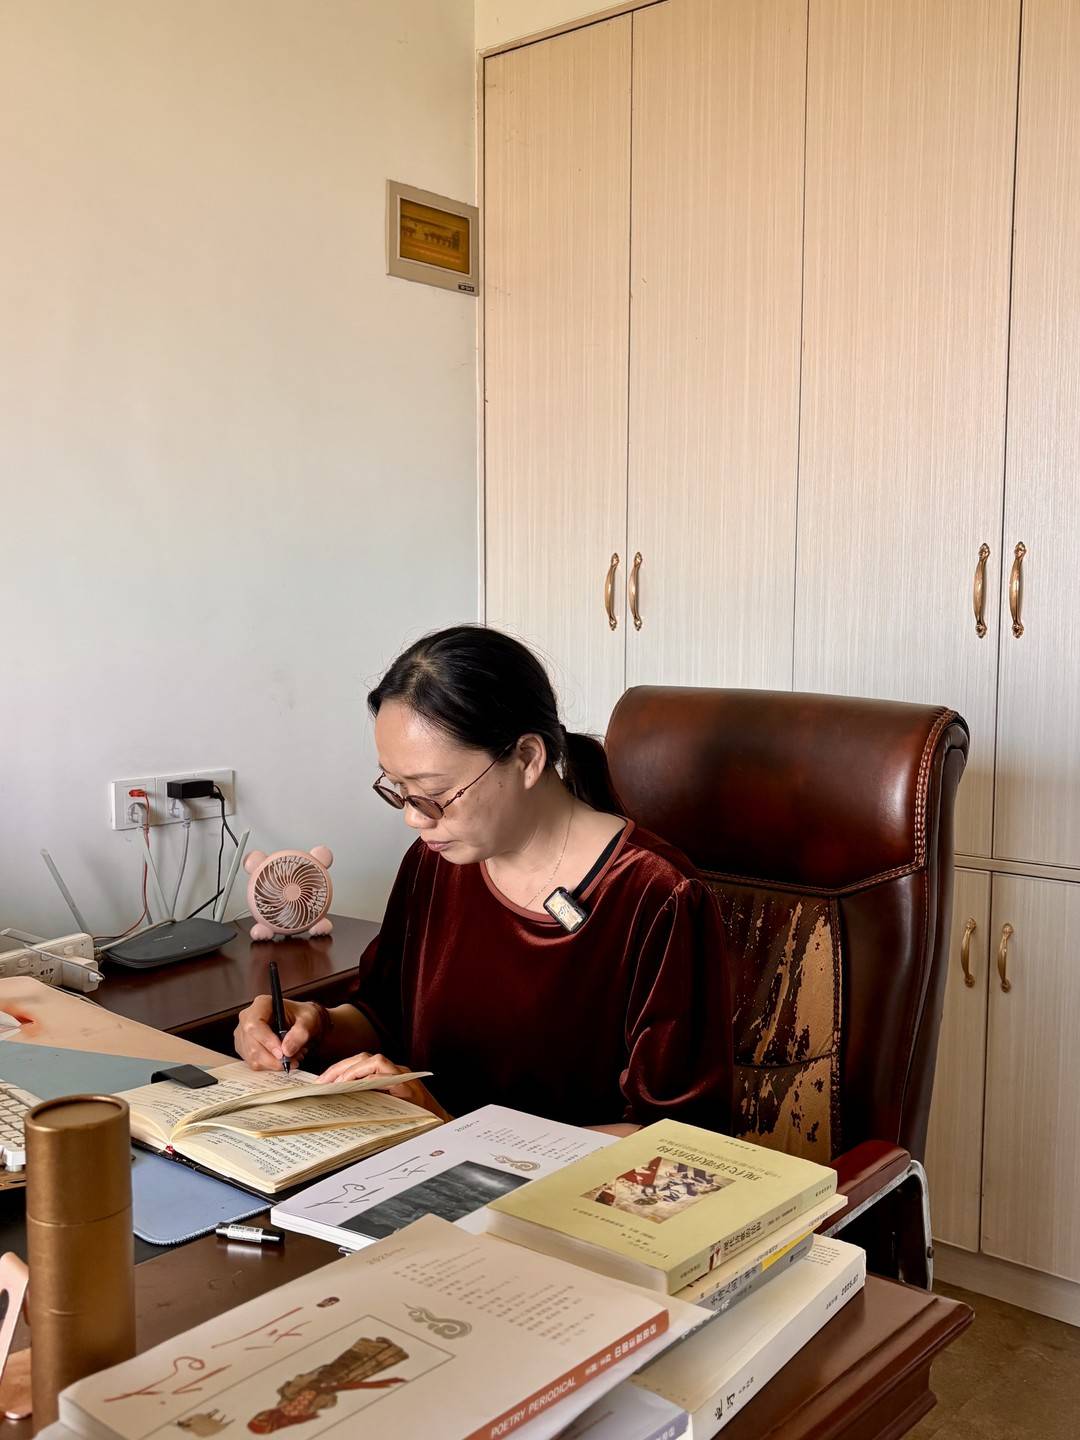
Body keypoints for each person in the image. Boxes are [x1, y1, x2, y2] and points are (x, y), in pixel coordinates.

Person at [234, 625, 732, 1135]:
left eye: (433, 793)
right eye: (398, 789)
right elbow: (384, 1016)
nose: (413, 818)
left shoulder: (656, 893)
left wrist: (453, 1131)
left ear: (527, 759)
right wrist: (312, 1024)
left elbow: (677, 1136)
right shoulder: (436, 862)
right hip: (413, 1159)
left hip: (561, 1185)